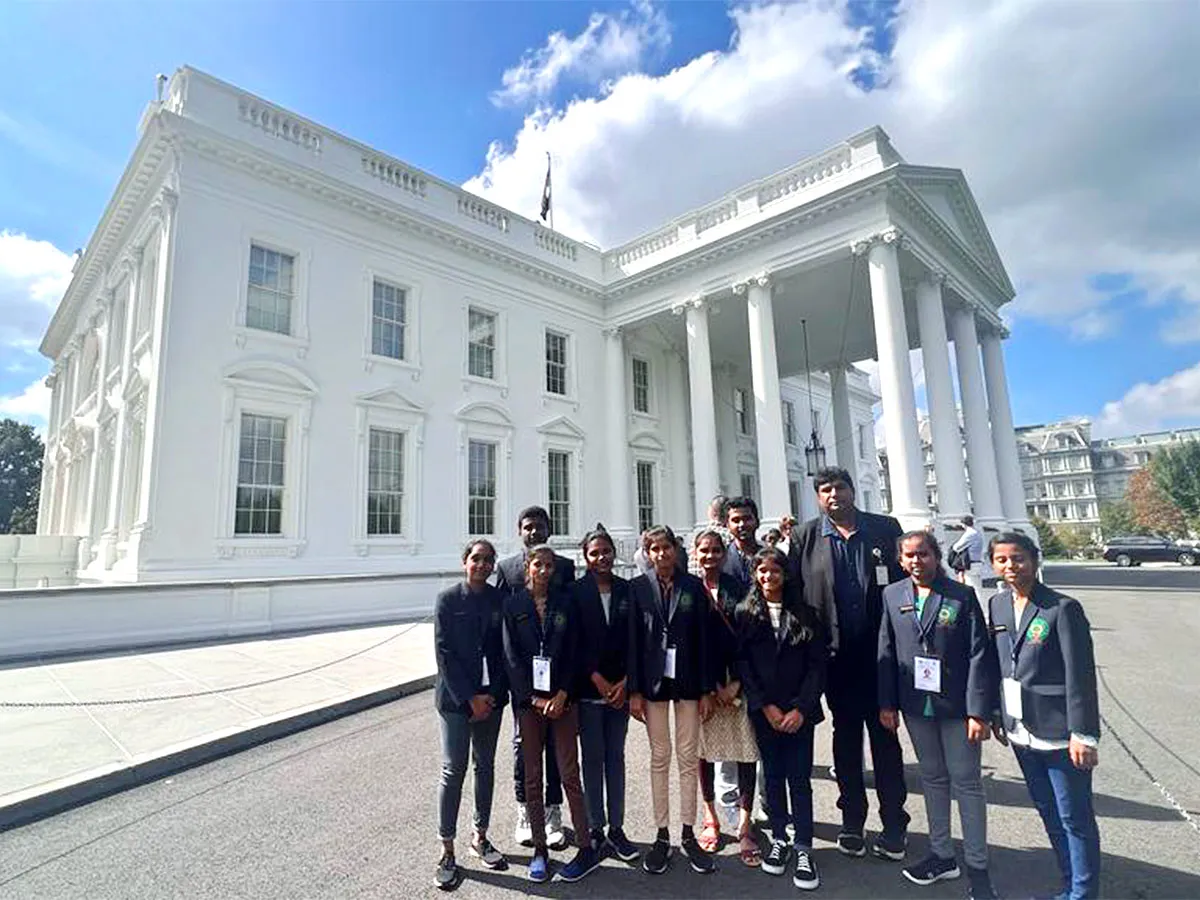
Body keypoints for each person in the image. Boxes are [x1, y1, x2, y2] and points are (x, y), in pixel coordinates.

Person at [787, 466, 911, 861]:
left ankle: (894, 823)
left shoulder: (885, 528)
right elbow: (792, 594)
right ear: (818, 497)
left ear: (853, 491)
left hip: (881, 654)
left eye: (839, 487)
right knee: (845, 737)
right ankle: (852, 821)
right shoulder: (805, 537)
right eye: (824, 489)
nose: (833, 495)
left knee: (885, 737)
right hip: (835, 657)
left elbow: (907, 580)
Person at [878, 531, 1000, 900]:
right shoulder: (892, 594)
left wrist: (979, 711)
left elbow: (980, 654)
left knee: (966, 782)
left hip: (956, 706)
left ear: (937, 556)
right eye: (910, 556)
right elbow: (886, 647)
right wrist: (887, 703)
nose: (917, 561)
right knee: (932, 779)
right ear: (901, 560)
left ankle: (977, 866)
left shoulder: (960, 595)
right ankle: (942, 854)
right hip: (916, 704)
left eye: (924, 554)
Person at [987, 531, 1101, 900]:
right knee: (1049, 813)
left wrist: (1083, 733)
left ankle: (1083, 894)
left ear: (1035, 560)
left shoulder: (1062, 608)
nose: (1010, 566)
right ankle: (1069, 885)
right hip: (1020, 728)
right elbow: (998, 663)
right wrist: (996, 713)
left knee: (1075, 818)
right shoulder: (998, 605)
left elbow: (1080, 674)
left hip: (1058, 729)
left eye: (1018, 558)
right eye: (1002, 560)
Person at [502, 545, 598, 883]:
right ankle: (540, 849)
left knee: (570, 773)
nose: (543, 570)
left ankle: (586, 847)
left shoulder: (565, 601)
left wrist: (563, 692)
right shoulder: (513, 605)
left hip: (562, 700)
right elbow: (511, 660)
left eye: (548, 566)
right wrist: (533, 699)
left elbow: (575, 650)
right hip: (530, 705)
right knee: (532, 776)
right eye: (537, 565)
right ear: (527, 567)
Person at [628, 525, 716, 875]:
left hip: (689, 682)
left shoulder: (693, 587)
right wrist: (634, 689)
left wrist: (708, 688)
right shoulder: (637, 589)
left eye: (667, 548)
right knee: (659, 757)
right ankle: (662, 834)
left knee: (688, 757)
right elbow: (632, 641)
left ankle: (688, 833)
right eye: (655, 549)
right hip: (652, 683)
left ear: (675, 551)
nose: (662, 554)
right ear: (647, 553)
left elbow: (704, 641)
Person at [737, 547, 826, 891]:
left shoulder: (806, 614)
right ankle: (779, 837)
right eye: (761, 572)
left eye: (774, 571)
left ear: (785, 575)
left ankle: (803, 846)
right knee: (772, 776)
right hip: (766, 713)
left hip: (798, 713)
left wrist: (800, 708)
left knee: (799, 778)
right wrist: (766, 707)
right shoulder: (746, 613)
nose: (767, 577)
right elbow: (743, 664)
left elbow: (817, 667)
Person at [494, 506, 575, 849]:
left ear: (548, 531)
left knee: (558, 747)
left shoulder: (566, 568)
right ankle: (526, 811)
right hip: (523, 678)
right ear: (519, 530)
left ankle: (553, 810)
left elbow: (573, 626)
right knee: (522, 747)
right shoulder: (507, 569)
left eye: (540, 527)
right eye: (528, 527)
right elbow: (500, 626)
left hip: (556, 677)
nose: (534, 532)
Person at [433, 540, 510, 889]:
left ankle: (480, 835)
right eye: (476, 559)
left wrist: (491, 696)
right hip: (455, 702)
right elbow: (444, 655)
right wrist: (470, 699)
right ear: (464, 562)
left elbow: (505, 653)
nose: (482, 565)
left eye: (488, 560)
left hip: (491, 700)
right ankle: (447, 849)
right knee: (454, 770)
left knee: (486, 767)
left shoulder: (500, 600)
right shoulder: (448, 600)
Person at [693, 527, 761, 868]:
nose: (710, 556)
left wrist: (735, 683)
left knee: (746, 752)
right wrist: (707, 687)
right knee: (704, 754)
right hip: (704, 689)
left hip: (736, 685)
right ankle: (711, 818)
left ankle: (745, 825)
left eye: (716, 551)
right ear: (695, 553)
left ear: (724, 553)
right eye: (704, 551)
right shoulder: (690, 590)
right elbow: (688, 643)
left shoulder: (740, 587)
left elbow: (749, 637)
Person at [573, 525, 640, 864]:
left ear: (614, 553)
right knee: (593, 760)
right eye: (594, 553)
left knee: (616, 759)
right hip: (589, 692)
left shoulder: (627, 590)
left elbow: (635, 640)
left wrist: (626, 681)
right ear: (585, 557)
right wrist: (596, 678)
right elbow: (574, 642)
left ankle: (617, 828)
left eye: (606, 551)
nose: (602, 558)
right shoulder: (575, 592)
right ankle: (595, 828)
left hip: (620, 693)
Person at [722, 496, 763, 591]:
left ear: (757, 522)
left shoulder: (770, 556)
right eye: (736, 520)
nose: (742, 525)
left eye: (747, 519)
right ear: (727, 525)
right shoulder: (721, 559)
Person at [951, 516, 985, 597]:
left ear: (964, 524)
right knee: (977, 586)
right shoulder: (978, 532)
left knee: (972, 586)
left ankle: (976, 606)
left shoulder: (970, 533)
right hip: (978, 561)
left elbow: (957, 547)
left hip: (971, 563)